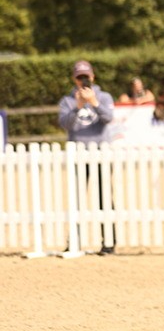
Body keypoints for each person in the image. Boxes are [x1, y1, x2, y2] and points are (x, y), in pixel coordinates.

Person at [57, 60, 116, 254]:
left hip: (100, 152)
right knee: (76, 199)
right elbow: (65, 124)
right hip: (78, 155)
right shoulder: (67, 100)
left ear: (92, 77)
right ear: (74, 79)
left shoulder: (104, 96)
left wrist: (94, 103)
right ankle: (74, 240)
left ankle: (108, 242)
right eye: (79, 77)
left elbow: (108, 118)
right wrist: (77, 106)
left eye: (86, 76)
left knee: (104, 199)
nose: (83, 80)